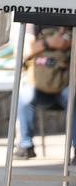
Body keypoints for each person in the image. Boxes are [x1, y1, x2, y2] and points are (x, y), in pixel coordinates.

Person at [14, 23, 75, 159]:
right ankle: (25, 145)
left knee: (73, 97)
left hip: (66, 83)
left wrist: (69, 43)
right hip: (40, 84)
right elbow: (23, 51)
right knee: (24, 96)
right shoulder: (36, 21)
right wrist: (49, 43)